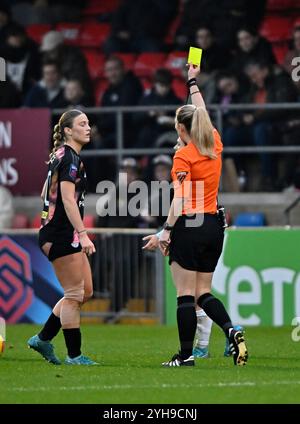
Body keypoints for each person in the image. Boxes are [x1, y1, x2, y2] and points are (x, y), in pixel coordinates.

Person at [144, 64, 248, 367]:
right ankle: (231, 330)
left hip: (190, 224)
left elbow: (181, 197)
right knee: (204, 292)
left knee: (185, 294)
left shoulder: (183, 155)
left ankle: (186, 355)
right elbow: (201, 111)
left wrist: (166, 230)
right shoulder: (214, 143)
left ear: (179, 129)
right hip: (215, 225)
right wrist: (192, 80)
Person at [27, 109, 97, 366]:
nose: (88, 127)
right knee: (74, 293)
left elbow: (47, 191)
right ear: (68, 130)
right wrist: (82, 233)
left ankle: (43, 338)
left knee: (85, 291)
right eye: (82, 124)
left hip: (60, 231)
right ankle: (74, 355)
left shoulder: (62, 155)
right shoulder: (69, 158)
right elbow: (67, 199)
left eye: (88, 123)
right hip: (61, 234)